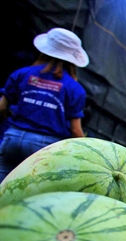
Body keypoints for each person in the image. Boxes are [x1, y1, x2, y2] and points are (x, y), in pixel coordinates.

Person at [0, 28, 88, 182]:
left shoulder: (22, 73)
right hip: (44, 148)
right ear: (73, 59)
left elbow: (1, 106)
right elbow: (75, 130)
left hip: (13, 137)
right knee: (27, 194)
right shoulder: (75, 89)